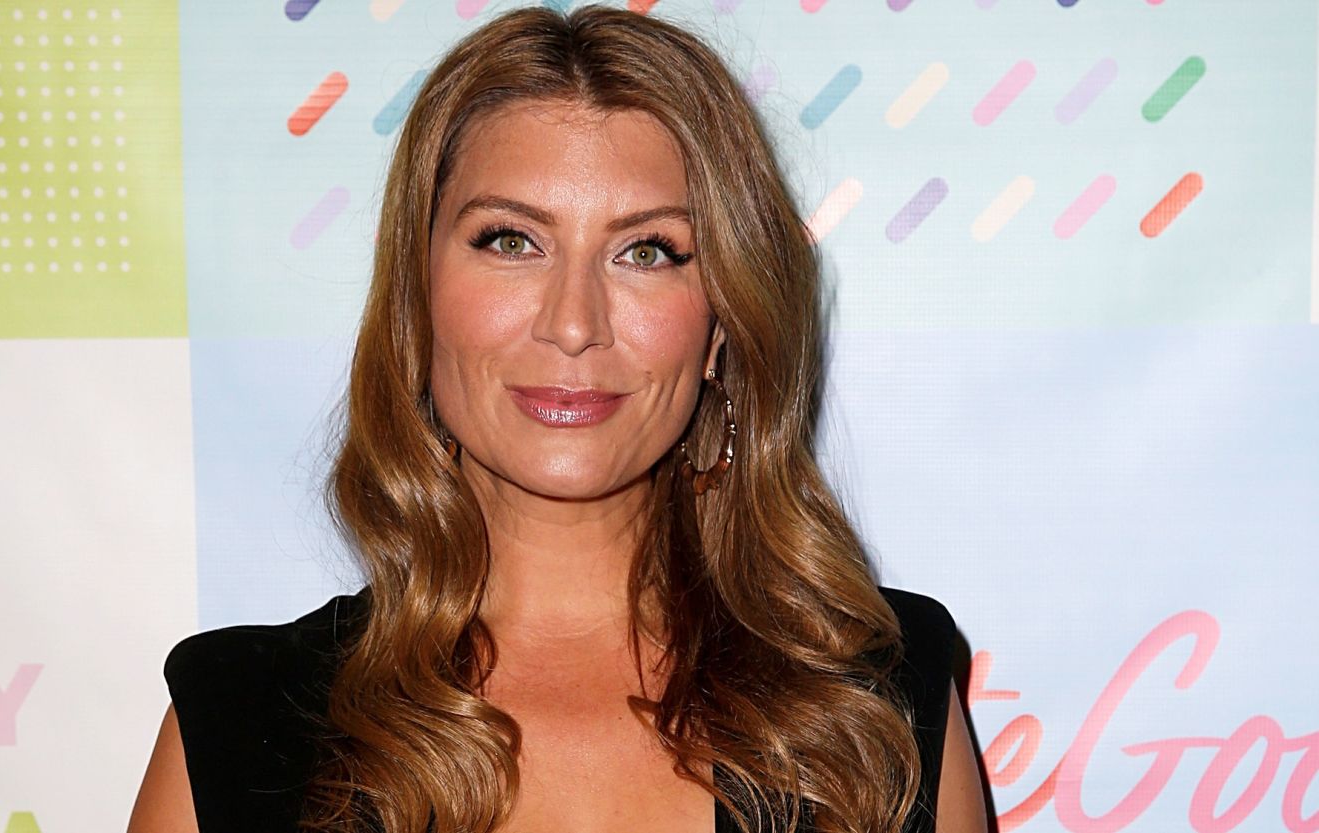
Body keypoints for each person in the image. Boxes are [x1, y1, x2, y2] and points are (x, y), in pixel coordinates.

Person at [128, 5, 987, 833]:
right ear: (419, 294)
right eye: (511, 240)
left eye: (646, 251)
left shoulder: (874, 704)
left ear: (722, 324)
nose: (574, 323)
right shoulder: (241, 729)